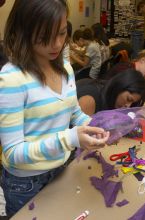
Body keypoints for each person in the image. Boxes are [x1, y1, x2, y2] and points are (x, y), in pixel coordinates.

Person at [0, 0, 110, 217]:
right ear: (23, 31)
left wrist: (95, 127)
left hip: (60, 168)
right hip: (26, 183)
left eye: (61, 33)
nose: (57, 44)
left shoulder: (65, 69)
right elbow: (13, 153)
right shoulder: (12, 79)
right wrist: (69, 139)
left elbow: (74, 113)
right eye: (44, 37)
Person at [76, 69, 145, 116]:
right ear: (120, 86)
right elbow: (78, 134)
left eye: (132, 103)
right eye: (128, 99)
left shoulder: (109, 98)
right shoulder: (90, 99)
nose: (128, 106)